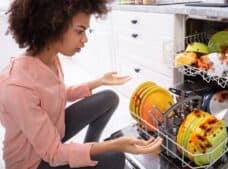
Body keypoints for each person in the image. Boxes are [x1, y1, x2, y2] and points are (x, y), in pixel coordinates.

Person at [0, 0, 162, 169]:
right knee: (115, 157)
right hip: (32, 162)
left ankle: (90, 149)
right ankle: (93, 153)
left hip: (52, 132)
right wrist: (115, 145)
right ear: (53, 26)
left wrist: (100, 81)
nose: (85, 39)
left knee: (109, 98)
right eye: (80, 31)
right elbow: (54, 154)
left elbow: (59, 93)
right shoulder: (17, 87)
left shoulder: (50, 58)